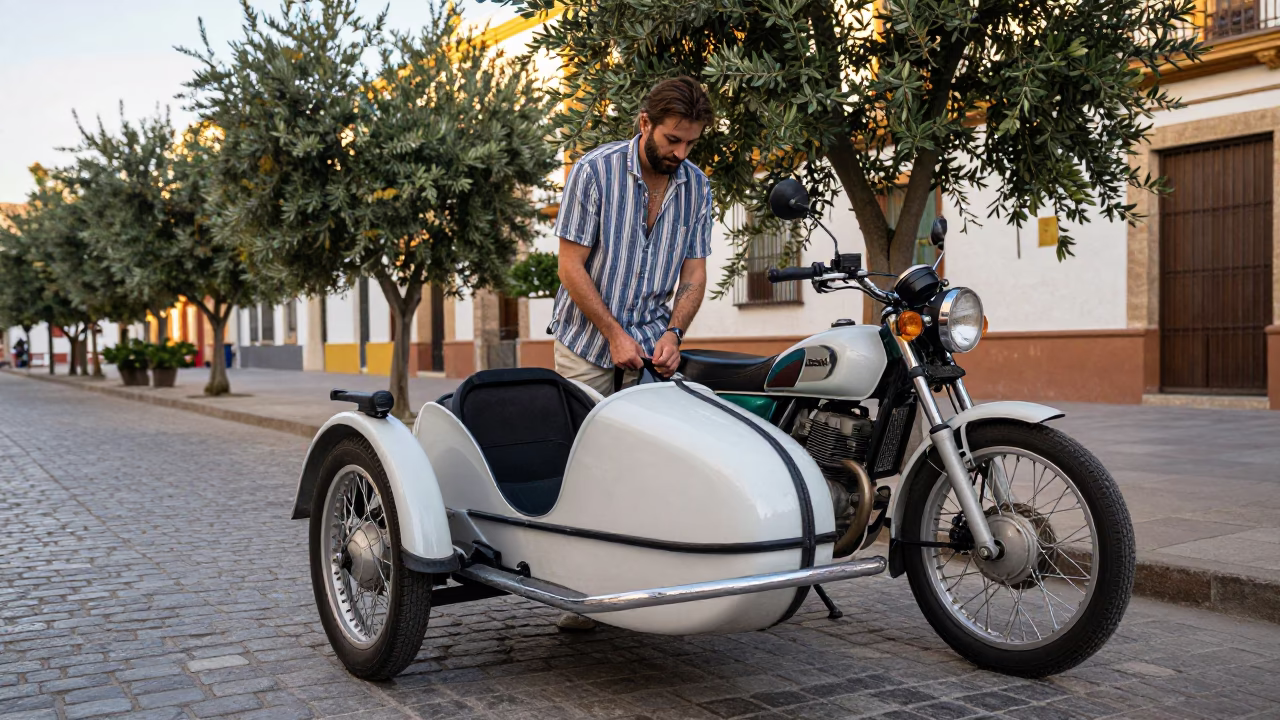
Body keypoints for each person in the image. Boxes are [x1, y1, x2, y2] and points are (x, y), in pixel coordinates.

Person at [547, 77, 715, 630]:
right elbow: (570, 267)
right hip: (586, 345)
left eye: (689, 143)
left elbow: (694, 273)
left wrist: (674, 334)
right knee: (585, 471)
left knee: (646, 466)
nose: (680, 153)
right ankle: (576, 591)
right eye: (672, 140)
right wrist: (614, 333)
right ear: (644, 124)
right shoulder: (593, 173)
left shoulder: (696, 187)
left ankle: (637, 581)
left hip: (650, 347)